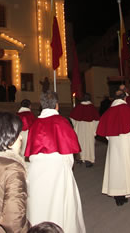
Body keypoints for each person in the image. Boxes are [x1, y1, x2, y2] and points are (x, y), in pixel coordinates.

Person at [25, 91, 86, 232]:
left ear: (41, 105)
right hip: (59, 168)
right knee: (62, 207)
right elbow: (69, 153)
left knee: (38, 205)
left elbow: (31, 153)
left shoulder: (35, 124)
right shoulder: (62, 122)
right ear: (57, 106)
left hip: (36, 170)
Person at [97, 89, 130, 206]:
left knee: (117, 169)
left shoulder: (108, 112)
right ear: (125, 98)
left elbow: (106, 134)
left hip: (115, 146)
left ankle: (119, 196)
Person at [69, 92, 100, 167]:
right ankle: (88, 160)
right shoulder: (92, 108)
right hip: (89, 128)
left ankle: (79, 158)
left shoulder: (78, 107)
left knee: (80, 142)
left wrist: (76, 125)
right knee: (89, 144)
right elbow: (96, 120)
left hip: (80, 128)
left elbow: (72, 118)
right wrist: (94, 130)